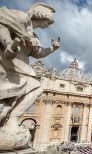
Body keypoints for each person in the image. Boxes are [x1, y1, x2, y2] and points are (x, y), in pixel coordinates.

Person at [0, 3, 59, 132]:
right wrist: (8, 43)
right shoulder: (23, 18)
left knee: (34, 88)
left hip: (20, 66)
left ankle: (12, 120)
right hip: (9, 62)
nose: (49, 25)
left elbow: (38, 54)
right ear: (42, 15)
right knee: (36, 87)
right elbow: (1, 21)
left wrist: (51, 49)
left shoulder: (34, 36)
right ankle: (12, 120)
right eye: (49, 21)